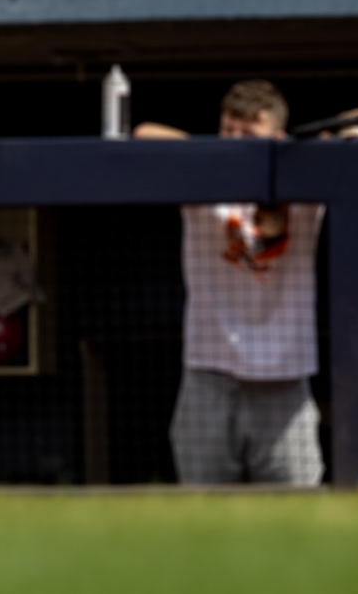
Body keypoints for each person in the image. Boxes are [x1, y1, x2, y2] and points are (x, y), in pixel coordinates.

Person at [134, 81, 327, 487]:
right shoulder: (202, 181)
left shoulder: (305, 184)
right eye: (228, 131)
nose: (235, 144)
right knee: (204, 521)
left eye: (248, 135)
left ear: (276, 138)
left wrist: (293, 154)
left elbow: (352, 133)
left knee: (295, 524)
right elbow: (144, 134)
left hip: (285, 381)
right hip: (209, 376)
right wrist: (212, 152)